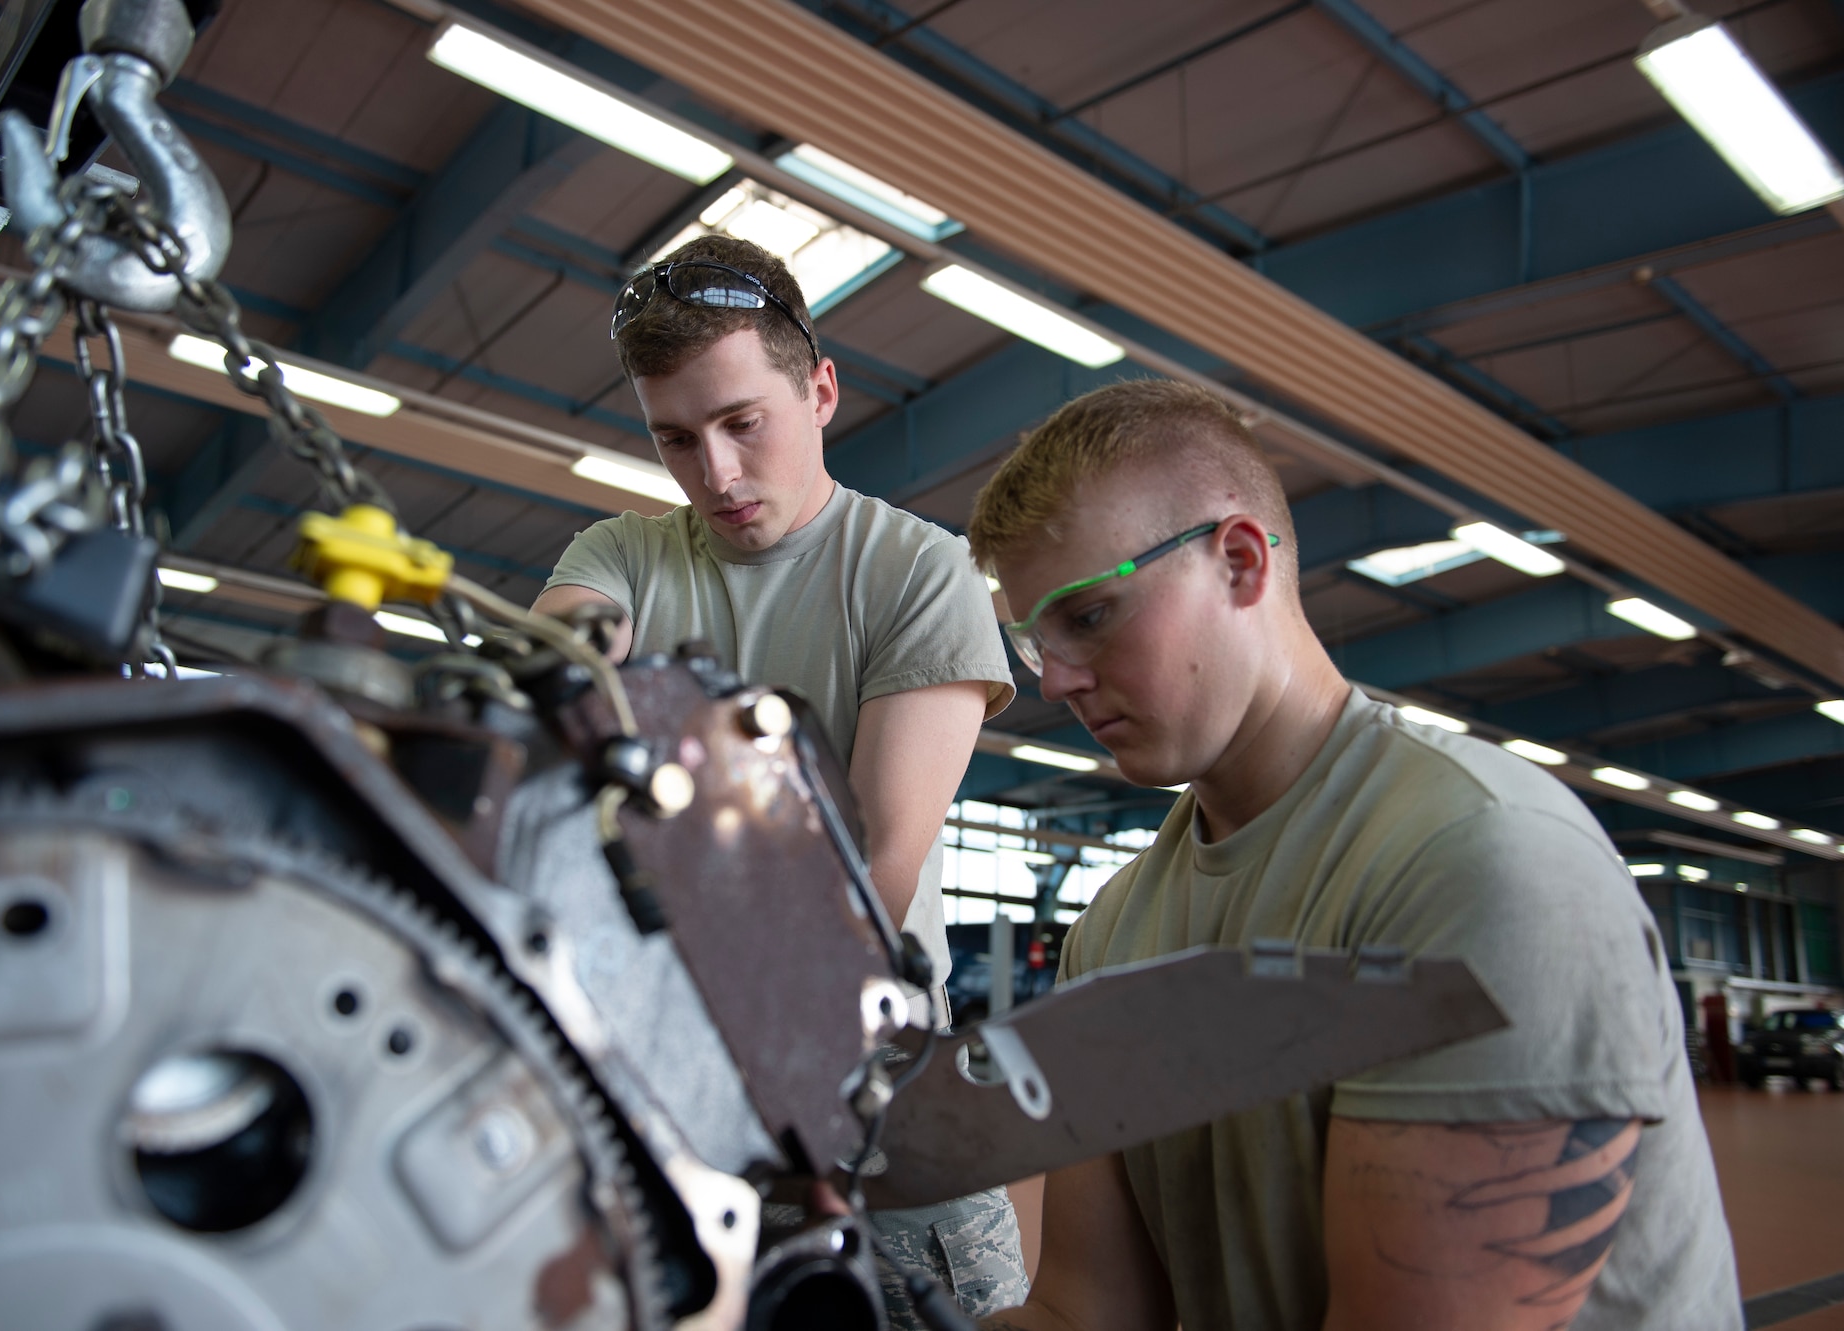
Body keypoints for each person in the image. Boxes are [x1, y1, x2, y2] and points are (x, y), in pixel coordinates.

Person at [965, 379, 1741, 1330]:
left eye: (1086, 616)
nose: (1056, 681)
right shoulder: (1115, 929)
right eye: (1031, 637)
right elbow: (1085, 1314)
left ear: (1241, 563)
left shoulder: (1478, 859)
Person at [533, 234, 1028, 1324]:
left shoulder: (914, 570)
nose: (713, 473)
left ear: (819, 389)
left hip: (878, 1102)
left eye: (740, 423)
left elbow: (874, 877)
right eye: (675, 438)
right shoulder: (619, 554)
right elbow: (557, 680)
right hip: (667, 1091)